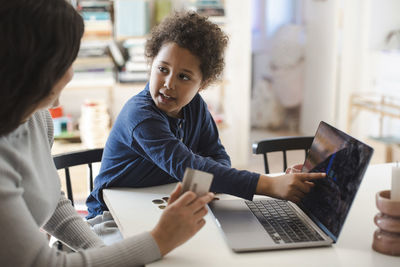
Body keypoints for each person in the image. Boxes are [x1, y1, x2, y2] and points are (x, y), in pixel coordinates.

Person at [0, 1, 214, 266]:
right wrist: (160, 239)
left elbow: (52, 201)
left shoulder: (36, 116)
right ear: (38, 67)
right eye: (68, 59)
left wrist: (99, 249)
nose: (71, 72)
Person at [86, 11, 326, 219]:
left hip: (155, 205)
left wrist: (207, 183)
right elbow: (188, 166)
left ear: (203, 83)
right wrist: (271, 184)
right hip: (110, 215)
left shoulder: (196, 107)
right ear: (151, 65)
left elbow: (216, 155)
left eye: (184, 76)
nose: (169, 84)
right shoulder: (140, 116)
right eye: (162, 69)